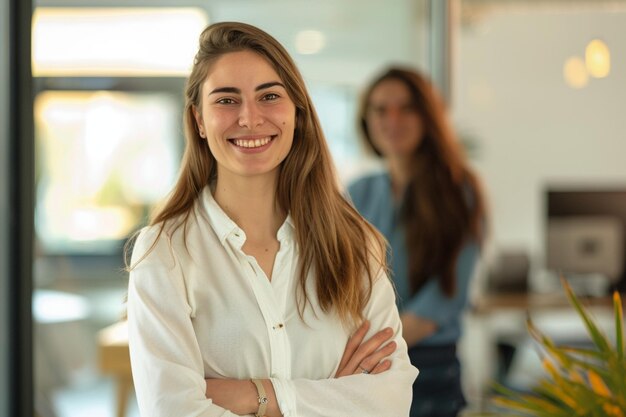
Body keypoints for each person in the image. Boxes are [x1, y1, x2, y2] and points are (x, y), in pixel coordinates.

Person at [125, 22, 418, 417]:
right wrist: (333, 396)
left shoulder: (353, 242)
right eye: (226, 100)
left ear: (296, 112)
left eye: (269, 96)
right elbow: (172, 410)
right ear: (198, 120)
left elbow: (390, 400)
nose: (249, 118)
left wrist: (257, 396)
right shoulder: (166, 252)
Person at [348, 67, 487, 417]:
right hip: (365, 371)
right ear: (366, 120)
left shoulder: (459, 192)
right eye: (380, 109)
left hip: (428, 370)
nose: (392, 119)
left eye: (406, 107)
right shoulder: (357, 192)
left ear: (427, 116)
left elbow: (441, 301)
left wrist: (363, 352)